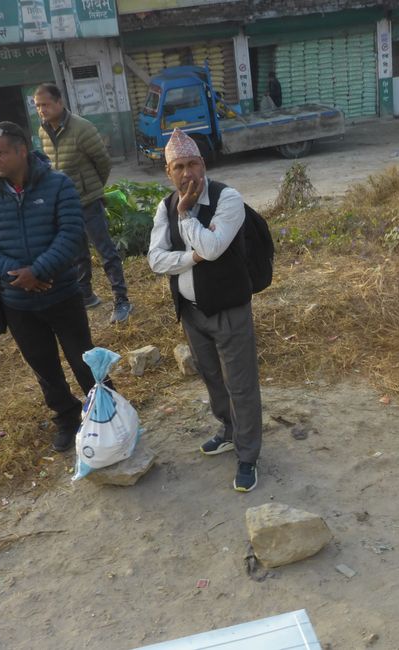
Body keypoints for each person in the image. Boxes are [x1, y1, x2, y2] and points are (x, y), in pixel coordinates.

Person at [0, 121, 108, 453]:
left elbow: (71, 232)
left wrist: (40, 270)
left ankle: (105, 413)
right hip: (17, 302)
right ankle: (67, 417)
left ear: (21, 150)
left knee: (84, 360)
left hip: (61, 295)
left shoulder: (58, 185)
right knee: (43, 367)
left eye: (0, 152)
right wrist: (16, 275)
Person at [147, 129, 263, 493]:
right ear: (169, 172)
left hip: (229, 309)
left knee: (240, 385)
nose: (187, 173)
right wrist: (189, 258)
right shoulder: (164, 205)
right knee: (212, 377)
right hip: (192, 313)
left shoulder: (228, 199)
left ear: (204, 164)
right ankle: (228, 430)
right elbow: (155, 258)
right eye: (178, 166)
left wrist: (186, 216)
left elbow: (213, 248)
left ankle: (248, 456)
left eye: (193, 164)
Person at [34, 83, 133, 322]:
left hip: (88, 202)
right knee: (77, 254)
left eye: (45, 104)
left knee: (106, 252)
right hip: (65, 205)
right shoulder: (43, 131)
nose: (41, 110)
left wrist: (93, 188)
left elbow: (103, 162)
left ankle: (122, 300)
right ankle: (87, 295)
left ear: (60, 103)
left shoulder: (82, 128)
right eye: (37, 106)